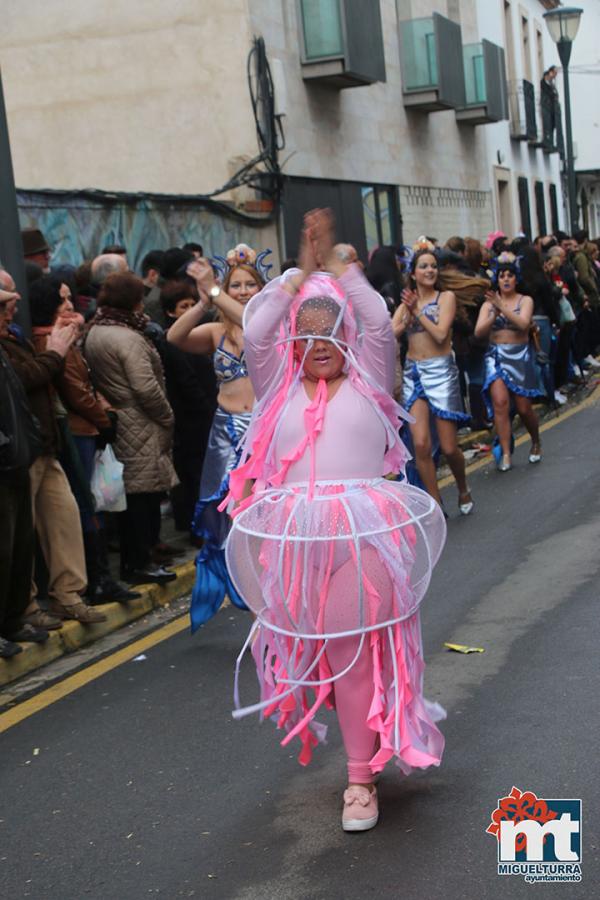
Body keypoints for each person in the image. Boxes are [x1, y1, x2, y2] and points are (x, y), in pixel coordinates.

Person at [224, 209, 446, 832]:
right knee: (318, 659)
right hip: (294, 544)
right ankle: (368, 745)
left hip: (362, 536)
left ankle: (358, 780)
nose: (319, 344)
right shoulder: (277, 386)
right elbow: (259, 326)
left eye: (330, 332)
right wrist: (298, 274)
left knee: (351, 652)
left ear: (347, 335)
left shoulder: (373, 376)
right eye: (308, 333)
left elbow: (376, 318)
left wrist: (339, 269)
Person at [0, 270, 106, 626]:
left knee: (65, 518)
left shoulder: (15, 338)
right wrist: (56, 353)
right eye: (4, 301)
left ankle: (68, 594)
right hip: (20, 451)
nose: (12, 306)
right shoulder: (20, 342)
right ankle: (26, 607)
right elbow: (25, 378)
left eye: (12, 298)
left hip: (45, 443)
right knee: (21, 535)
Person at [166, 251, 265, 629]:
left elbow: (255, 321)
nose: (242, 291)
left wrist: (214, 288)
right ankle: (257, 604)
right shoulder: (215, 331)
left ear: (262, 288)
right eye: (235, 284)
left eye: (249, 283)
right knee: (234, 520)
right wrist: (205, 302)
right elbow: (175, 337)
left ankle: (264, 604)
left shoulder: (267, 325)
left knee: (257, 518)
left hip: (262, 432)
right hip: (225, 431)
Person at [28, 276, 139, 605]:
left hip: (84, 428)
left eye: (68, 298)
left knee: (92, 502)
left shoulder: (67, 337)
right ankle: (97, 580)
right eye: (60, 300)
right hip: (77, 431)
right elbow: (75, 389)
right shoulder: (50, 341)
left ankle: (97, 578)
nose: (68, 305)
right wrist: (105, 419)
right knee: (87, 503)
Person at [84, 273, 178, 585]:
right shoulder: (129, 338)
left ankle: (138, 560)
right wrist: (166, 415)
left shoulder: (96, 330)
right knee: (142, 499)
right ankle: (139, 563)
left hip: (121, 421)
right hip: (139, 423)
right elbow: (146, 388)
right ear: (134, 300)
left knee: (133, 500)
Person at [392, 241, 473, 515]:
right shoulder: (408, 300)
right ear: (413, 273)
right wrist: (405, 319)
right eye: (423, 266)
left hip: (441, 372)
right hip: (414, 373)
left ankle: (462, 488)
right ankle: (436, 504)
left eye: (433, 266)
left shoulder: (445, 297)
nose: (430, 270)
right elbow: (390, 334)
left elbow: (440, 335)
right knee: (421, 444)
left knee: (450, 447)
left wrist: (415, 313)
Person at [475, 252, 542, 471]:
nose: (505, 279)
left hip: (519, 356)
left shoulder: (525, 300)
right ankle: (505, 452)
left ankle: (535, 440)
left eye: (509, 276)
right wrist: (493, 313)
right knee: (500, 404)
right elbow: (478, 333)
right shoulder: (488, 305)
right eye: (501, 275)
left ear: (516, 279)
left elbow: (523, 324)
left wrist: (501, 307)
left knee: (524, 408)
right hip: (495, 357)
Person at [160, 280, 218, 535]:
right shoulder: (174, 343)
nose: (190, 309)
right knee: (194, 475)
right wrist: (209, 410)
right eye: (184, 306)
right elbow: (188, 382)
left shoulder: (204, 333)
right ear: (171, 312)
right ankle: (195, 527)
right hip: (192, 419)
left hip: (207, 415)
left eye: (193, 304)